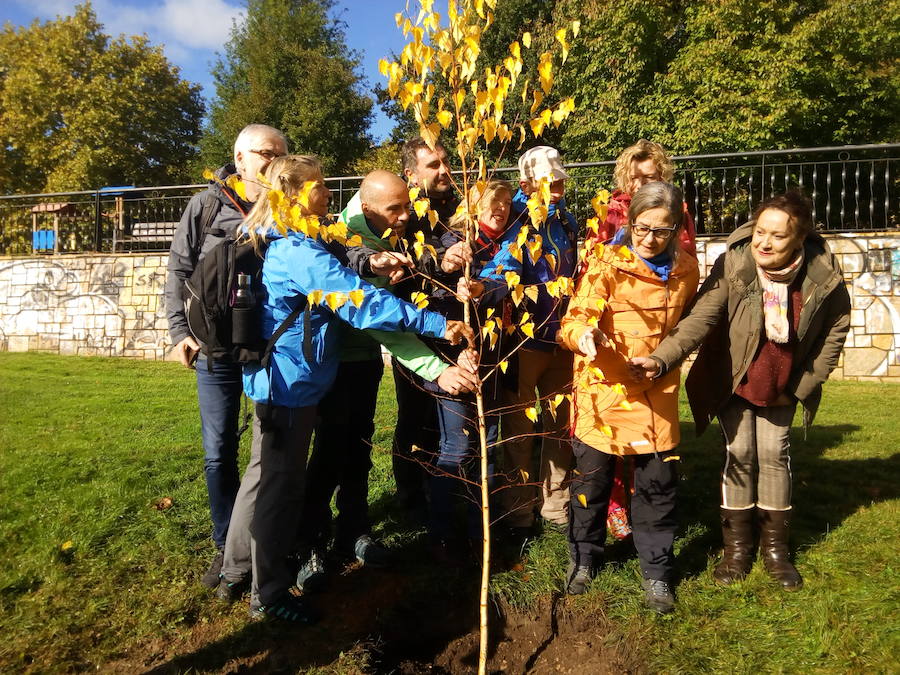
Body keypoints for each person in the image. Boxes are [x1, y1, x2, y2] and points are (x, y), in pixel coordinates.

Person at [216, 155, 475, 622]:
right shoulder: (298, 250)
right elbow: (362, 304)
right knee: (280, 488)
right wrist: (438, 324)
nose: (328, 193)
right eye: (318, 185)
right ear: (295, 195)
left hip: (288, 379)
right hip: (286, 386)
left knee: (265, 478)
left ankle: (238, 569)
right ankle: (268, 594)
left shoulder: (297, 239)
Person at [630, 190, 850, 592]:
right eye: (759, 232)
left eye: (777, 236)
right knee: (741, 452)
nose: (764, 243)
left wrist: (802, 386)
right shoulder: (736, 263)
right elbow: (701, 317)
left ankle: (775, 552)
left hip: (783, 384)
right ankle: (736, 550)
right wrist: (661, 358)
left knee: (773, 453)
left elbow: (834, 333)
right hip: (734, 378)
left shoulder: (823, 278)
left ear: (798, 239)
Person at [294, 170, 479, 589]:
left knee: (358, 449)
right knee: (328, 454)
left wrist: (441, 262)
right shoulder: (346, 239)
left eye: (405, 206)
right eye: (394, 208)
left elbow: (410, 281)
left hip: (362, 362)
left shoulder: (388, 232)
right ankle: (310, 547)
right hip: (333, 361)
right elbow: (377, 319)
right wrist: (436, 368)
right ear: (366, 206)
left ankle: (353, 533)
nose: (404, 216)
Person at [560, 181, 699, 613]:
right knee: (591, 484)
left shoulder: (686, 272)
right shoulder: (606, 262)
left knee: (658, 487)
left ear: (677, 228)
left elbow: (689, 328)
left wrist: (662, 359)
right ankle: (584, 558)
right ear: (630, 222)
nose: (649, 239)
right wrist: (584, 335)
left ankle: (656, 573)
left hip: (657, 390)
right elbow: (575, 318)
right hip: (602, 389)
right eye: (642, 228)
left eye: (661, 230)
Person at [164, 124, 287, 586]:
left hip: (265, 347)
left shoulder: (288, 208)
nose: (274, 161)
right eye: (265, 153)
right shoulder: (207, 204)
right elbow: (178, 269)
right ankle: (224, 542)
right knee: (218, 452)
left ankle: (260, 540)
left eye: (281, 154)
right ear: (240, 159)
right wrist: (180, 331)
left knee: (267, 447)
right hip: (214, 348)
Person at [458, 145, 578, 535]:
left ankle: (556, 505)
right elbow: (504, 267)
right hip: (524, 341)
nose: (557, 184)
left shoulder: (567, 220)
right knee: (520, 429)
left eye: (559, 176)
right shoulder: (519, 220)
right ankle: (518, 509)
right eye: (548, 178)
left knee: (560, 426)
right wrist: (482, 286)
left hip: (563, 339)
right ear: (527, 183)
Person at [426, 179, 516, 562]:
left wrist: (484, 289)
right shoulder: (454, 242)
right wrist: (457, 350)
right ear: (474, 205)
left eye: (507, 204)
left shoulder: (512, 242)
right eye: (493, 203)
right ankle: (444, 534)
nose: (501, 210)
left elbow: (512, 285)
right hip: (454, 361)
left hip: (495, 356)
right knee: (458, 446)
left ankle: (485, 529)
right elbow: (431, 298)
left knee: (489, 443)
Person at [389, 137, 473, 518]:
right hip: (415, 330)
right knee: (414, 414)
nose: (444, 171)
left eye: (445, 163)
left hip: (458, 325)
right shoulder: (402, 212)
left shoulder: (461, 207)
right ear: (411, 174)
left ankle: (453, 489)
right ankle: (410, 489)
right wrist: (442, 262)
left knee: (456, 409)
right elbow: (404, 259)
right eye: (433, 165)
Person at [589, 139, 697, 257]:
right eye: (633, 178)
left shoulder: (676, 210)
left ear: (662, 177)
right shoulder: (611, 213)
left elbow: (687, 256)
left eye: (649, 177)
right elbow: (592, 260)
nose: (640, 185)